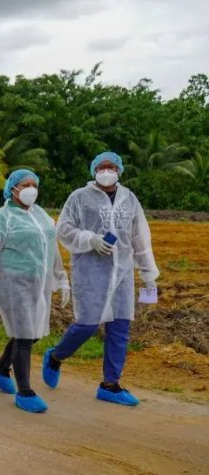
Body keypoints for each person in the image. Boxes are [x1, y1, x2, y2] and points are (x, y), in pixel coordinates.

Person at [42, 152, 160, 406]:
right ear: (94, 170)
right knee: (87, 324)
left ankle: (110, 385)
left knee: (120, 328)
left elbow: (140, 237)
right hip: (91, 270)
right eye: (102, 167)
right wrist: (90, 239)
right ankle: (55, 356)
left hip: (123, 272)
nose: (107, 171)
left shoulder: (130, 199)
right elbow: (63, 229)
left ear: (120, 170)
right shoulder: (79, 197)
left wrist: (148, 274)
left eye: (112, 167)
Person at [0, 170, 70, 413]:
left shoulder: (42, 215)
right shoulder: (1, 218)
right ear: (12, 188)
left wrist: (61, 278)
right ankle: (24, 391)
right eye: (25, 184)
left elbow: (52, 249)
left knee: (32, 332)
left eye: (34, 184)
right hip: (14, 282)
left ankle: (1, 367)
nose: (31, 189)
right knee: (24, 335)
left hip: (40, 282)